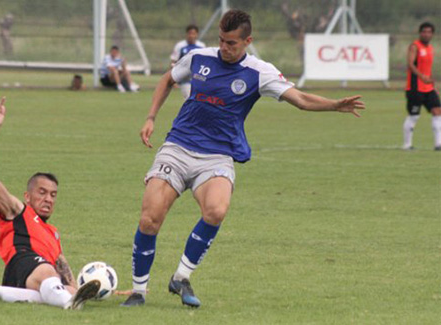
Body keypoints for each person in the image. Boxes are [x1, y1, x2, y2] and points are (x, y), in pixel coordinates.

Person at [121, 9, 365, 308]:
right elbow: (167, 79)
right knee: (150, 218)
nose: (224, 47)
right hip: (178, 147)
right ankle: (138, 292)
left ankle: (181, 277)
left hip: (217, 156)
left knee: (216, 210)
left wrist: (333, 105)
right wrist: (150, 117)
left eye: (232, 43)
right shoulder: (199, 58)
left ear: (247, 41)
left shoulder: (259, 72)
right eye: (222, 40)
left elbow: (299, 99)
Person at [0, 94, 100, 310]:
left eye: (53, 195)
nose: (48, 199)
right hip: (24, 262)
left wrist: (84, 290)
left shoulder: (53, 233)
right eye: (42, 192)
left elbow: (64, 269)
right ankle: (68, 303)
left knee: (63, 287)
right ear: (27, 196)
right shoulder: (19, 212)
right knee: (49, 274)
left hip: (35, 278)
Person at [403, 22, 440, 151]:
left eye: (429, 32)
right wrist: (421, 76)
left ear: (432, 34)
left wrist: (433, 84)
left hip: (428, 88)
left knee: (437, 111)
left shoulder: (430, 49)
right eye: (424, 31)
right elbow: (410, 65)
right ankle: (407, 145)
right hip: (415, 87)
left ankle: (438, 144)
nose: (426, 34)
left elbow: (428, 69)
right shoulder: (415, 46)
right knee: (414, 115)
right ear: (420, 33)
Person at [170, 25, 206, 99]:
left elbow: (205, 62)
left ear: (197, 35)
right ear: (186, 34)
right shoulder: (180, 46)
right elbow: (174, 62)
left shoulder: (201, 46)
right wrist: (173, 80)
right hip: (185, 79)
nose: (191, 36)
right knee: (189, 99)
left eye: (193, 33)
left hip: (198, 78)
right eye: (189, 33)